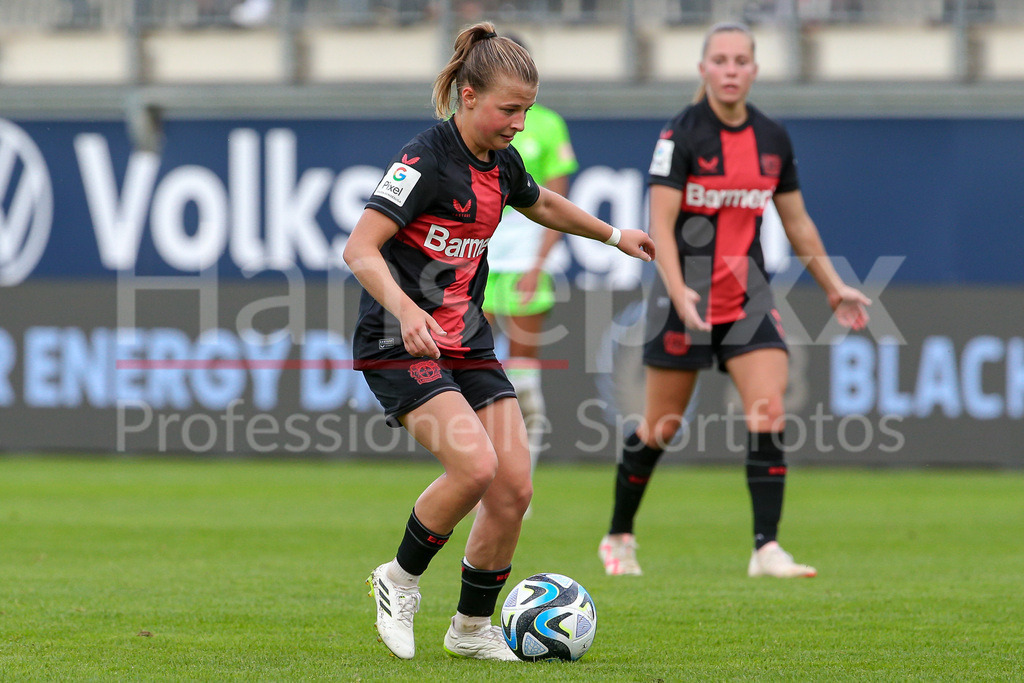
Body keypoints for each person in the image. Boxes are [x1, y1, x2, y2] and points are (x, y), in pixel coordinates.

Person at [343, 22, 654, 661]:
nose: (518, 123)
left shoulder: (501, 163)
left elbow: (542, 203)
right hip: (400, 341)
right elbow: (360, 248)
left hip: (466, 342)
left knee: (513, 488)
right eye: (509, 109)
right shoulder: (424, 160)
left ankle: (471, 630)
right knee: (475, 466)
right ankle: (398, 579)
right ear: (467, 95)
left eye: (526, 111)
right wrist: (405, 310)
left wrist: (615, 235)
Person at [597, 22, 870, 579]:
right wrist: (678, 295)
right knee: (661, 427)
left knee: (769, 410)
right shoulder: (681, 134)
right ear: (703, 69)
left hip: (748, 295)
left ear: (754, 70)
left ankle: (766, 548)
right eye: (719, 60)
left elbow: (797, 224)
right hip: (684, 297)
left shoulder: (772, 138)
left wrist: (833, 286)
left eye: (740, 60)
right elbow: (662, 228)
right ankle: (619, 535)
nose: (729, 69)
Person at [482, 35, 579, 500]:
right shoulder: (467, 125)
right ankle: (476, 480)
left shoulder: (548, 125)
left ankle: (521, 485)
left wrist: (537, 264)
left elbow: (556, 203)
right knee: (466, 377)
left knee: (524, 384)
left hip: (523, 263)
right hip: (475, 263)